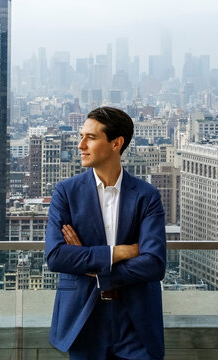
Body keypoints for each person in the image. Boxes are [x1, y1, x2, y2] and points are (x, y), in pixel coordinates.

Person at [46, 106, 166, 360]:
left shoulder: (147, 196)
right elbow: (56, 256)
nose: (80, 145)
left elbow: (154, 264)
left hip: (135, 321)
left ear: (116, 143)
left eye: (90, 137)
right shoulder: (65, 193)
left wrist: (93, 266)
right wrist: (120, 252)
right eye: (81, 136)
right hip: (84, 318)